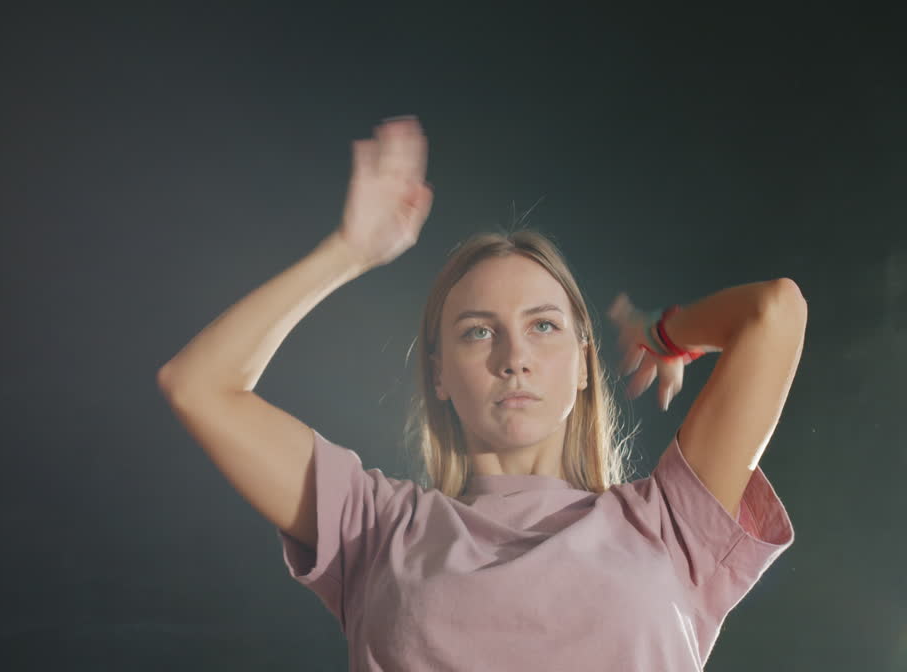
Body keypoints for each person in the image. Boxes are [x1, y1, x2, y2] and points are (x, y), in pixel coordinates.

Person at [157, 116, 806, 671]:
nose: (514, 357)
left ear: (584, 365)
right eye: (477, 333)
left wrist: (665, 333)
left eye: (543, 327)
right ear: (439, 374)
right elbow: (198, 385)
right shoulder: (375, 527)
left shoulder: (670, 524)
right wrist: (348, 252)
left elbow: (775, 312)